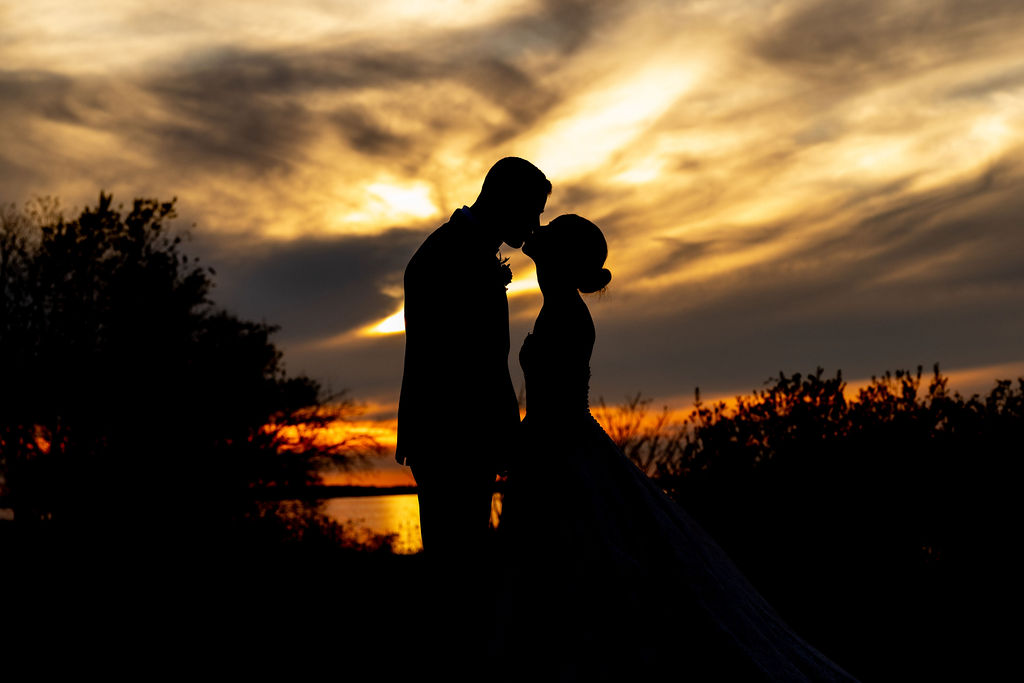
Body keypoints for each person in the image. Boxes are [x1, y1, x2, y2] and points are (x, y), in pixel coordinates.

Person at [495, 214, 858, 681]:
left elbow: (559, 403)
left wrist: (529, 442)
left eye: (547, 240)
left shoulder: (565, 315)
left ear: (558, 261)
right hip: (559, 444)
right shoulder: (558, 308)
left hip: (562, 451)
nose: (536, 236)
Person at [397, 157, 550, 564]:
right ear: (507, 200)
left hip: (461, 439)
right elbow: (464, 365)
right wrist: (504, 439)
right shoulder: (450, 255)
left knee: (465, 567)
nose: (535, 224)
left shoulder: (465, 249)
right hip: (453, 439)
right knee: (456, 568)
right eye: (533, 210)